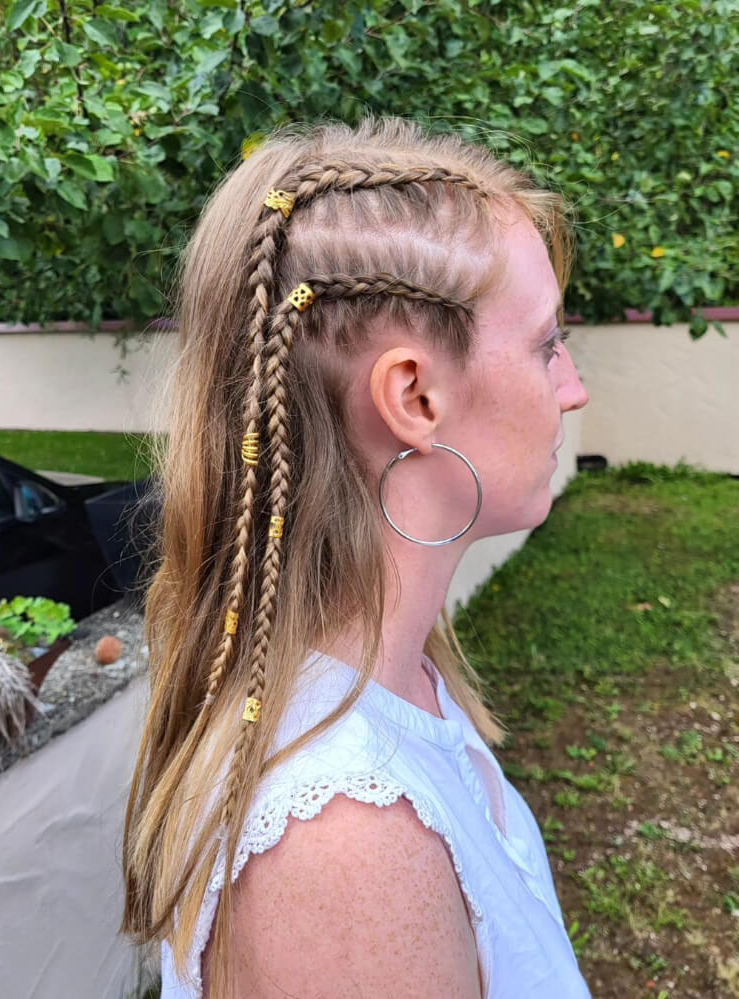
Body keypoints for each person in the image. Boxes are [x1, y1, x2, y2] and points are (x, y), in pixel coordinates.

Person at [121, 116, 591, 999]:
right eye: (547, 343)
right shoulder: (347, 840)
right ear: (413, 395)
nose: (572, 388)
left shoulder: (393, 680)